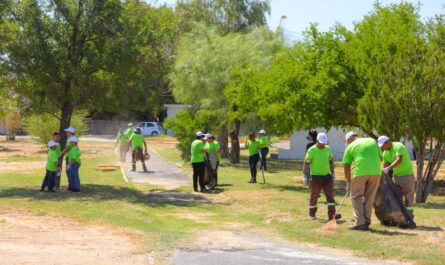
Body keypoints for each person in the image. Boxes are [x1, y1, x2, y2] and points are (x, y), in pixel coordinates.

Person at [342, 131, 382, 231]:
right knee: (370, 197)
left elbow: (346, 166)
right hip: (376, 172)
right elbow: (380, 158)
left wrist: (349, 181)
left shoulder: (350, 147)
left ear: (349, 139)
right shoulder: (372, 141)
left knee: (355, 196)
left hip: (360, 172)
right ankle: (366, 221)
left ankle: (359, 222)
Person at [303, 133, 341, 221]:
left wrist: (333, 173)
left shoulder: (328, 149)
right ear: (317, 141)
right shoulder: (311, 150)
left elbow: (331, 161)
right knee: (314, 195)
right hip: (316, 177)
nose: (323, 144)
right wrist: (305, 176)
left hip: (327, 176)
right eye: (321, 143)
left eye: (324, 143)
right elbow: (306, 163)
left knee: (330, 196)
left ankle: (332, 214)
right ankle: (312, 214)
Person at [378, 136, 415, 219]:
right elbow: (385, 165)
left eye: (382, 146)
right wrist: (383, 173)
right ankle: (400, 217)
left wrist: (389, 168)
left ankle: (409, 216)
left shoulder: (398, 146)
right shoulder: (385, 153)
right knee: (397, 197)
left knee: (408, 197)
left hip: (407, 176)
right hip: (396, 176)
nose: (382, 148)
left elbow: (399, 160)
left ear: (388, 142)